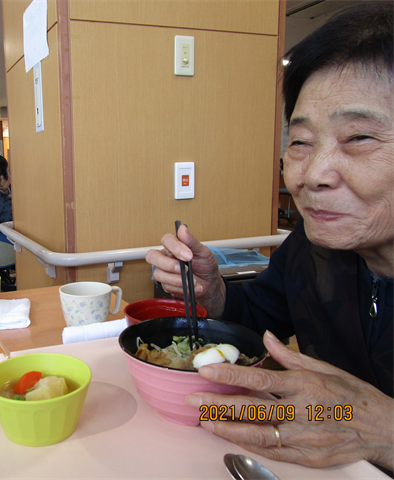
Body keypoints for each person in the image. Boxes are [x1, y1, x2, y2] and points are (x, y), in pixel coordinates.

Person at [146, 3, 394, 473]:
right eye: (300, 142)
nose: (312, 174)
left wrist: (382, 429)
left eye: (358, 138)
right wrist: (213, 291)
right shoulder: (312, 247)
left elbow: (354, 422)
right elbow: (259, 321)